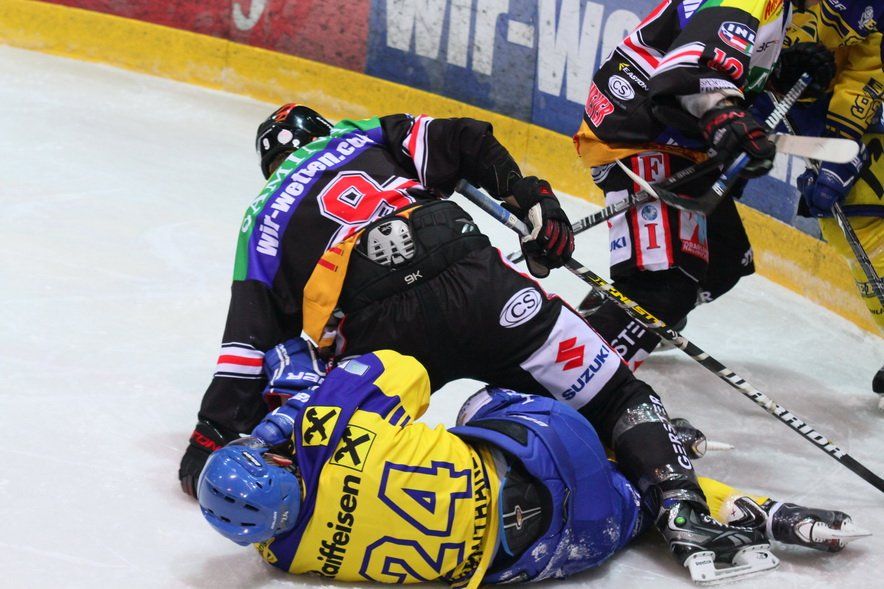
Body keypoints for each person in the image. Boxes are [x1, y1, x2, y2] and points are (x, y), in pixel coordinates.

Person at [180, 103, 772, 570]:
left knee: (346, 453)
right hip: (475, 281)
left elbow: (247, 347)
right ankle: (678, 502)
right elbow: (465, 139)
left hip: (381, 337)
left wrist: (210, 438)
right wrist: (532, 198)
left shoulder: (262, 218)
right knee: (615, 394)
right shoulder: (362, 135)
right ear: (322, 130)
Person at [197, 343, 868, 586]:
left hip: (562, 550)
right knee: (474, 398)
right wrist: (289, 416)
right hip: (552, 447)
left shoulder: (288, 555)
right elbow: (405, 369)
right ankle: (657, 451)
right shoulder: (329, 425)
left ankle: (757, 512)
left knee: (626, 501)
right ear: (276, 460)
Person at [572, 0, 836, 369]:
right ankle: (564, 384)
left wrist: (778, 76)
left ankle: (613, 315)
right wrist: (724, 116)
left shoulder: (781, 6)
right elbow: (689, 68)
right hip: (642, 134)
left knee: (724, 262)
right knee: (664, 289)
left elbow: (716, 52)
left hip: (673, 135)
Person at [777, 0, 884, 401]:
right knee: (850, 229)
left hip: (861, 113)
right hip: (815, 110)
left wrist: (842, 139)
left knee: (867, 226)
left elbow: (868, 67)